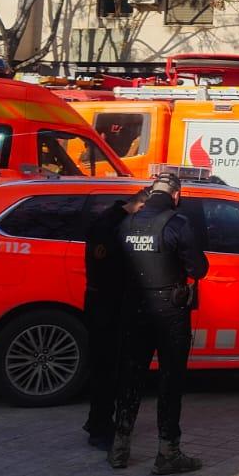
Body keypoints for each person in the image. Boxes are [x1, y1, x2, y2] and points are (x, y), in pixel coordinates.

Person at [109, 172, 207, 474]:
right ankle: (168, 451)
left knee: (130, 375)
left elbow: (116, 267)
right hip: (170, 310)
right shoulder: (177, 224)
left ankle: (119, 447)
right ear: (176, 196)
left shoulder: (126, 224)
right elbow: (198, 268)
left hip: (134, 307)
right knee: (170, 379)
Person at [82, 187, 150, 449]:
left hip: (101, 302)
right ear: (140, 206)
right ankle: (100, 428)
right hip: (108, 305)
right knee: (108, 369)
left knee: (104, 366)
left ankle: (95, 420)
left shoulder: (109, 218)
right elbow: (113, 266)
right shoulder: (113, 226)